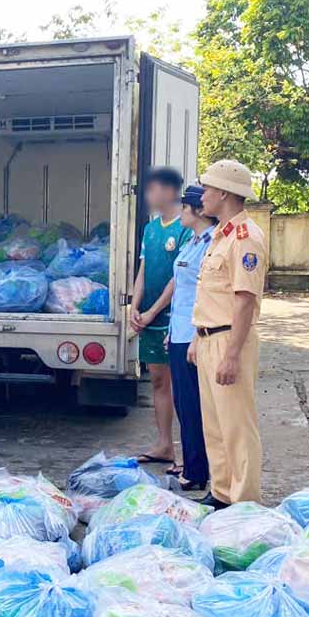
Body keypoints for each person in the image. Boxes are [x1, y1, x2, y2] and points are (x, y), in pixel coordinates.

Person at [189, 160, 269, 509]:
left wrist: (232, 354)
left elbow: (244, 300)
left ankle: (243, 502)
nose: (201, 196)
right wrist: (197, 338)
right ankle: (221, 493)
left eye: (206, 189)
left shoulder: (245, 237)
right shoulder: (219, 235)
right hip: (209, 337)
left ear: (223, 193)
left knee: (237, 427)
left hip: (229, 339)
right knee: (216, 425)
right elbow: (210, 294)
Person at [136, 185, 216, 491]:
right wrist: (172, 332)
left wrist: (196, 334)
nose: (180, 212)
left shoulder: (211, 243)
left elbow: (207, 295)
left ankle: (196, 471)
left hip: (194, 333)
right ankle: (192, 461)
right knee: (184, 401)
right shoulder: (194, 243)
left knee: (194, 404)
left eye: (185, 208)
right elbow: (182, 289)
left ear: (197, 212)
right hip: (179, 332)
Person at [130, 166, 189, 465]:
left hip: (173, 318)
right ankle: (164, 444)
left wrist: (153, 311)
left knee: (181, 384)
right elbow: (143, 270)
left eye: (152, 190)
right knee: (157, 381)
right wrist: (134, 305)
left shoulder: (186, 227)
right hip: (149, 319)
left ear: (168, 191)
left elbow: (178, 278)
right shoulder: (151, 229)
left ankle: (187, 451)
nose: (148, 197)